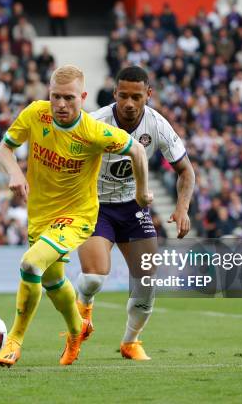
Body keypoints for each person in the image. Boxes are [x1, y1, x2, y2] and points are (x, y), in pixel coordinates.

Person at [0, 65, 152, 367]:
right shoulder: (35, 114)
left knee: (30, 263)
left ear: (83, 96)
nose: (61, 105)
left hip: (77, 217)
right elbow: (5, 148)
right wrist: (14, 172)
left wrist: (142, 192)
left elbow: (138, 152)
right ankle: (78, 328)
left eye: (68, 98)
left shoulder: (94, 132)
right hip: (39, 215)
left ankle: (14, 340)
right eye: (55, 97)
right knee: (53, 282)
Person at [76, 66, 194, 360]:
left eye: (137, 97)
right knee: (93, 278)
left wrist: (182, 208)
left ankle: (130, 342)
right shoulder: (95, 122)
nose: (129, 103)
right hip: (96, 205)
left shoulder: (157, 125)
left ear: (148, 95)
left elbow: (186, 170)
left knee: (147, 280)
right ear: (115, 93)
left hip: (133, 207)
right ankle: (83, 311)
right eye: (124, 95)